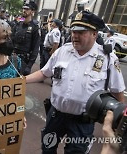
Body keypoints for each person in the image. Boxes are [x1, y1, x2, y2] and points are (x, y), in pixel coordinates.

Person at [26, 10, 125, 154]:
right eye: (73, 31)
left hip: (82, 123)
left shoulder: (107, 59)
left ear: (94, 34)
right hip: (56, 116)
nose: (74, 36)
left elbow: (117, 92)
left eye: (81, 32)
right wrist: (22, 81)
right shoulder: (62, 51)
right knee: (47, 148)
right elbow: (44, 73)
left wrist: (119, 124)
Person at [11, 1, 40, 75]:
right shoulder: (18, 24)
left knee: (19, 84)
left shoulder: (35, 27)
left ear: (32, 11)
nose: (24, 11)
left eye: (27, 9)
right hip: (13, 57)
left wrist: (29, 66)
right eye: (23, 8)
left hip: (24, 61)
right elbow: (11, 40)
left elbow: (35, 49)